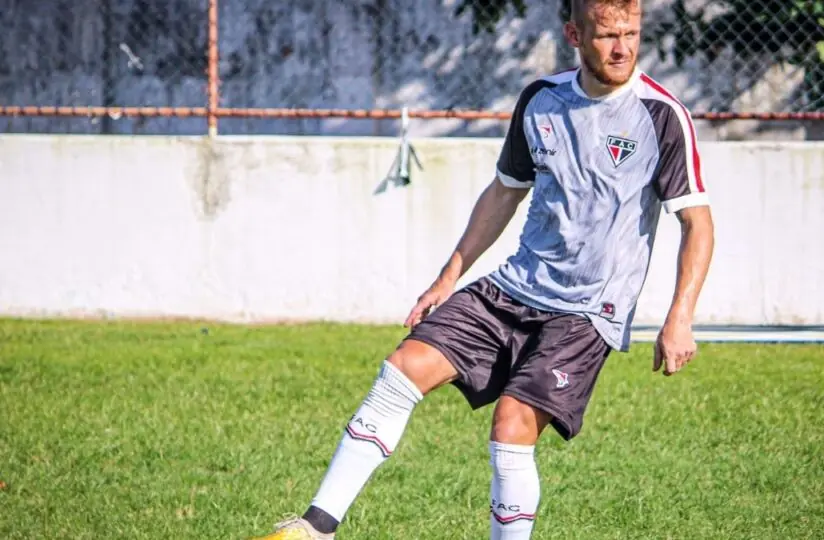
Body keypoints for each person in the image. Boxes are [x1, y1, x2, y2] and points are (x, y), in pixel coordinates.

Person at [253, 0, 714, 538]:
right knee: (404, 367)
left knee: (511, 425)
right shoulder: (541, 101)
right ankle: (315, 529)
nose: (622, 49)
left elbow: (697, 224)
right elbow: (504, 193)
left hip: (588, 310)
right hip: (516, 285)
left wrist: (680, 317)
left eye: (631, 33)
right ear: (574, 35)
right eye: (607, 35)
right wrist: (448, 276)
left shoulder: (660, 115)